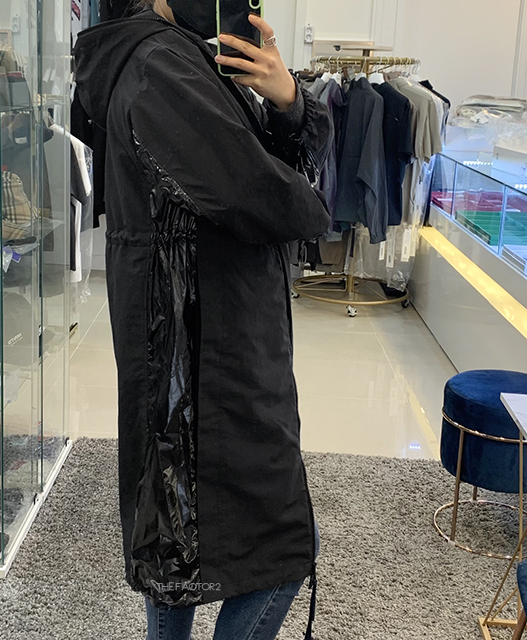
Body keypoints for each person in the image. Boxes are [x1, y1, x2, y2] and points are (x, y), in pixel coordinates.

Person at [73, 1, 331, 638]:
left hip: (199, 332)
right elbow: (259, 193)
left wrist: (288, 100)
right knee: (279, 548)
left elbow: (260, 167)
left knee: (173, 538)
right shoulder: (161, 63)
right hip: (207, 346)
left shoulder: (178, 54)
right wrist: (313, 208)